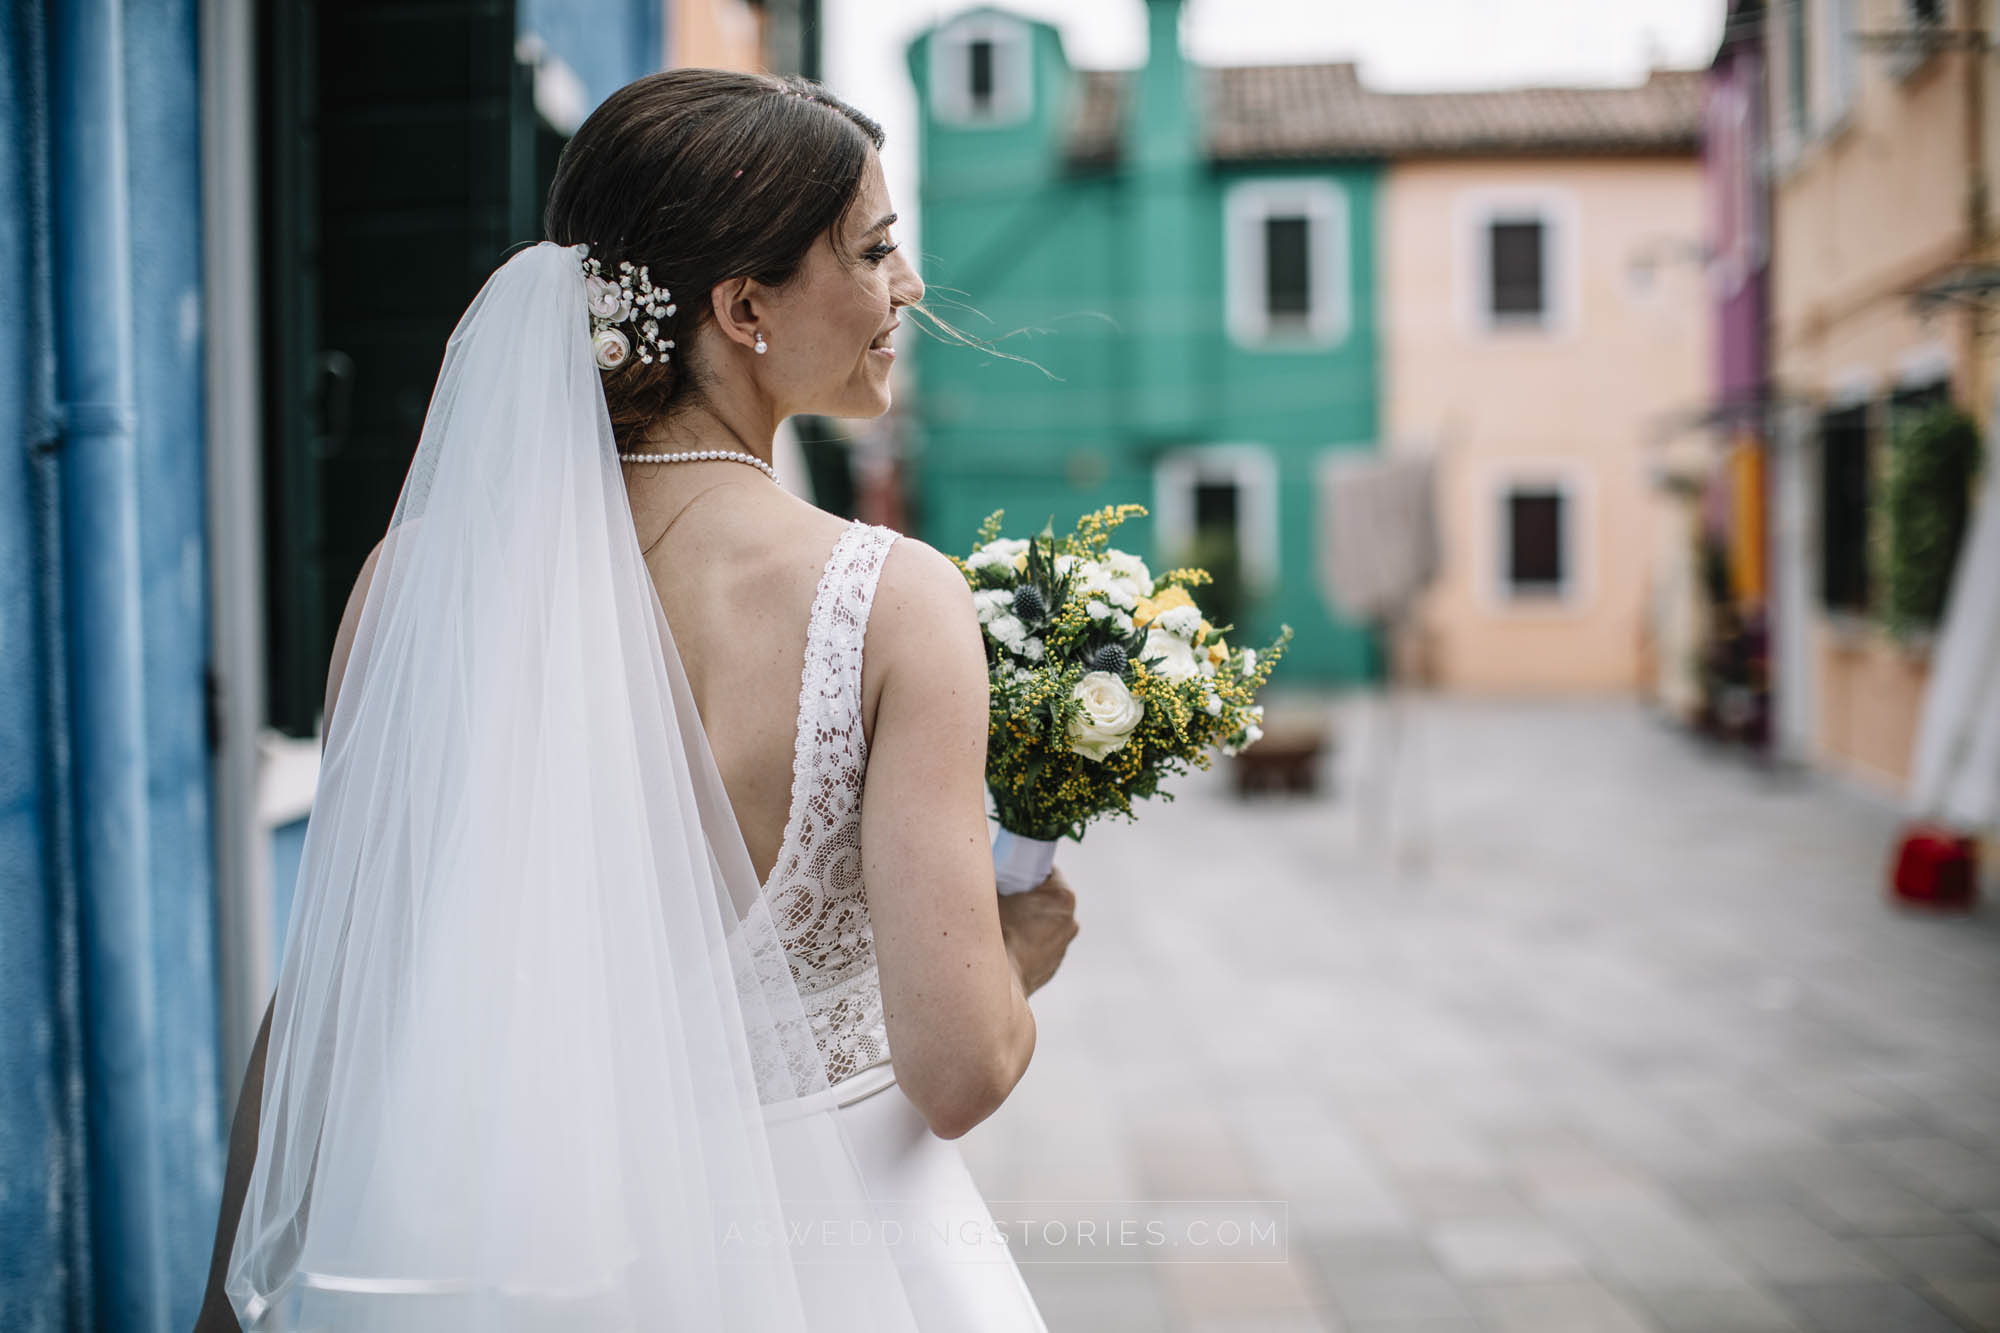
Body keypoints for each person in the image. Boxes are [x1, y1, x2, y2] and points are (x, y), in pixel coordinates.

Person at [193, 69, 1078, 1331]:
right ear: (741, 305)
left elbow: (331, 1000)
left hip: (498, 1251)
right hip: (826, 1259)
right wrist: (1016, 961)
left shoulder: (411, 585)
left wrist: (225, 1295)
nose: (910, 288)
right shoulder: (891, 601)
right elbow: (956, 1069)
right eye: (876, 250)